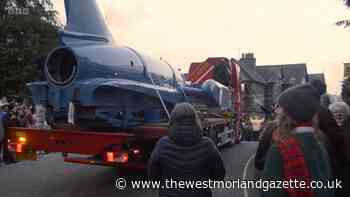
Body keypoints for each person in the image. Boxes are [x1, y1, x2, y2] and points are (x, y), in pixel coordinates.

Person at [263, 84, 334, 197]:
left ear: (287, 115)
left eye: (281, 109)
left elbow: (270, 192)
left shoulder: (278, 150)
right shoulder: (321, 147)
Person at [148, 103, 225, 197]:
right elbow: (219, 176)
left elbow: (153, 174)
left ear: (172, 121)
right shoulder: (207, 145)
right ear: (195, 121)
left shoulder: (162, 144)